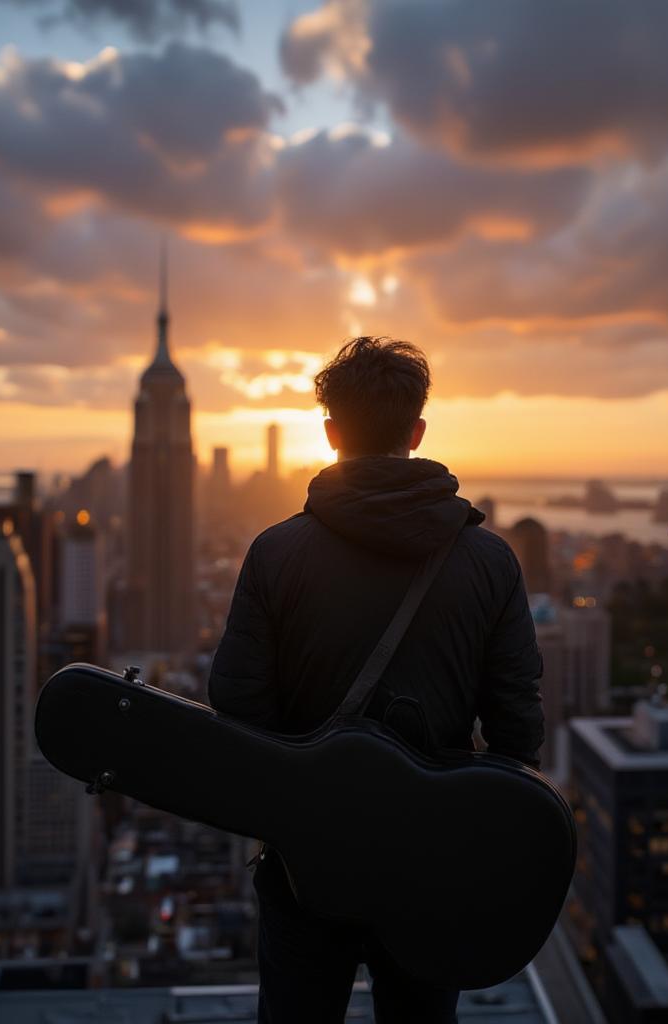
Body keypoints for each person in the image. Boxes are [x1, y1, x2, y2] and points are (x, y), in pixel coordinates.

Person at [208, 336, 544, 1024]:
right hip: (430, 867)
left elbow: (237, 709)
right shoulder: (489, 562)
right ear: (417, 433)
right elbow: (517, 731)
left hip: (306, 863)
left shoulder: (276, 554)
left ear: (330, 433)